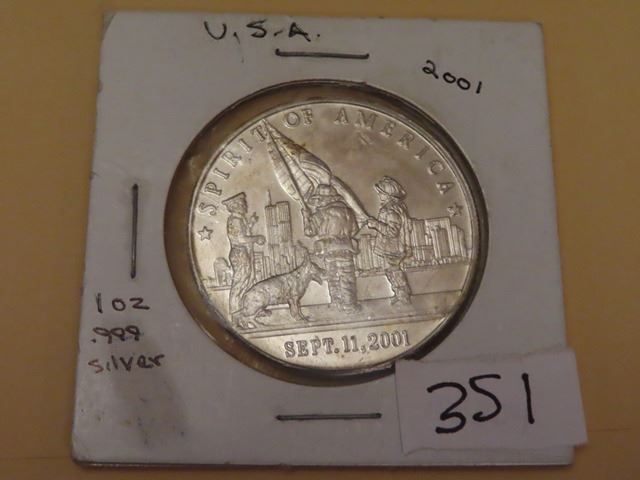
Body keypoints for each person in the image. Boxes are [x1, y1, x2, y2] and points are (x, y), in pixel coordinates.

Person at [302, 184, 361, 313]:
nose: (317, 202)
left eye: (319, 199)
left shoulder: (321, 214)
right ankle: (350, 305)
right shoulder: (348, 212)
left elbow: (309, 231)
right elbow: (355, 230)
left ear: (325, 199)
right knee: (347, 278)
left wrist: (306, 218)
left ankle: (336, 303)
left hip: (329, 250)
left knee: (333, 278)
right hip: (346, 250)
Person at [367, 176, 412, 305]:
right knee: (391, 271)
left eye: (381, 193)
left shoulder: (391, 210)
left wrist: (376, 224)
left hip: (393, 248)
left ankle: (403, 296)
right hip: (391, 247)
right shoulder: (392, 208)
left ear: (388, 194)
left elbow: (392, 231)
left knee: (394, 271)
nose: (379, 195)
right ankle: (399, 294)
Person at [222, 192, 265, 323]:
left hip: (243, 253)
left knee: (247, 282)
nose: (245, 205)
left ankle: (247, 311)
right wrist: (256, 238)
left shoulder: (240, 219)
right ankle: (236, 315)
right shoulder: (235, 220)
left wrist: (251, 223)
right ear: (236, 206)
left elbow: (243, 232)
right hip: (239, 254)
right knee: (239, 284)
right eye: (243, 203)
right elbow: (240, 239)